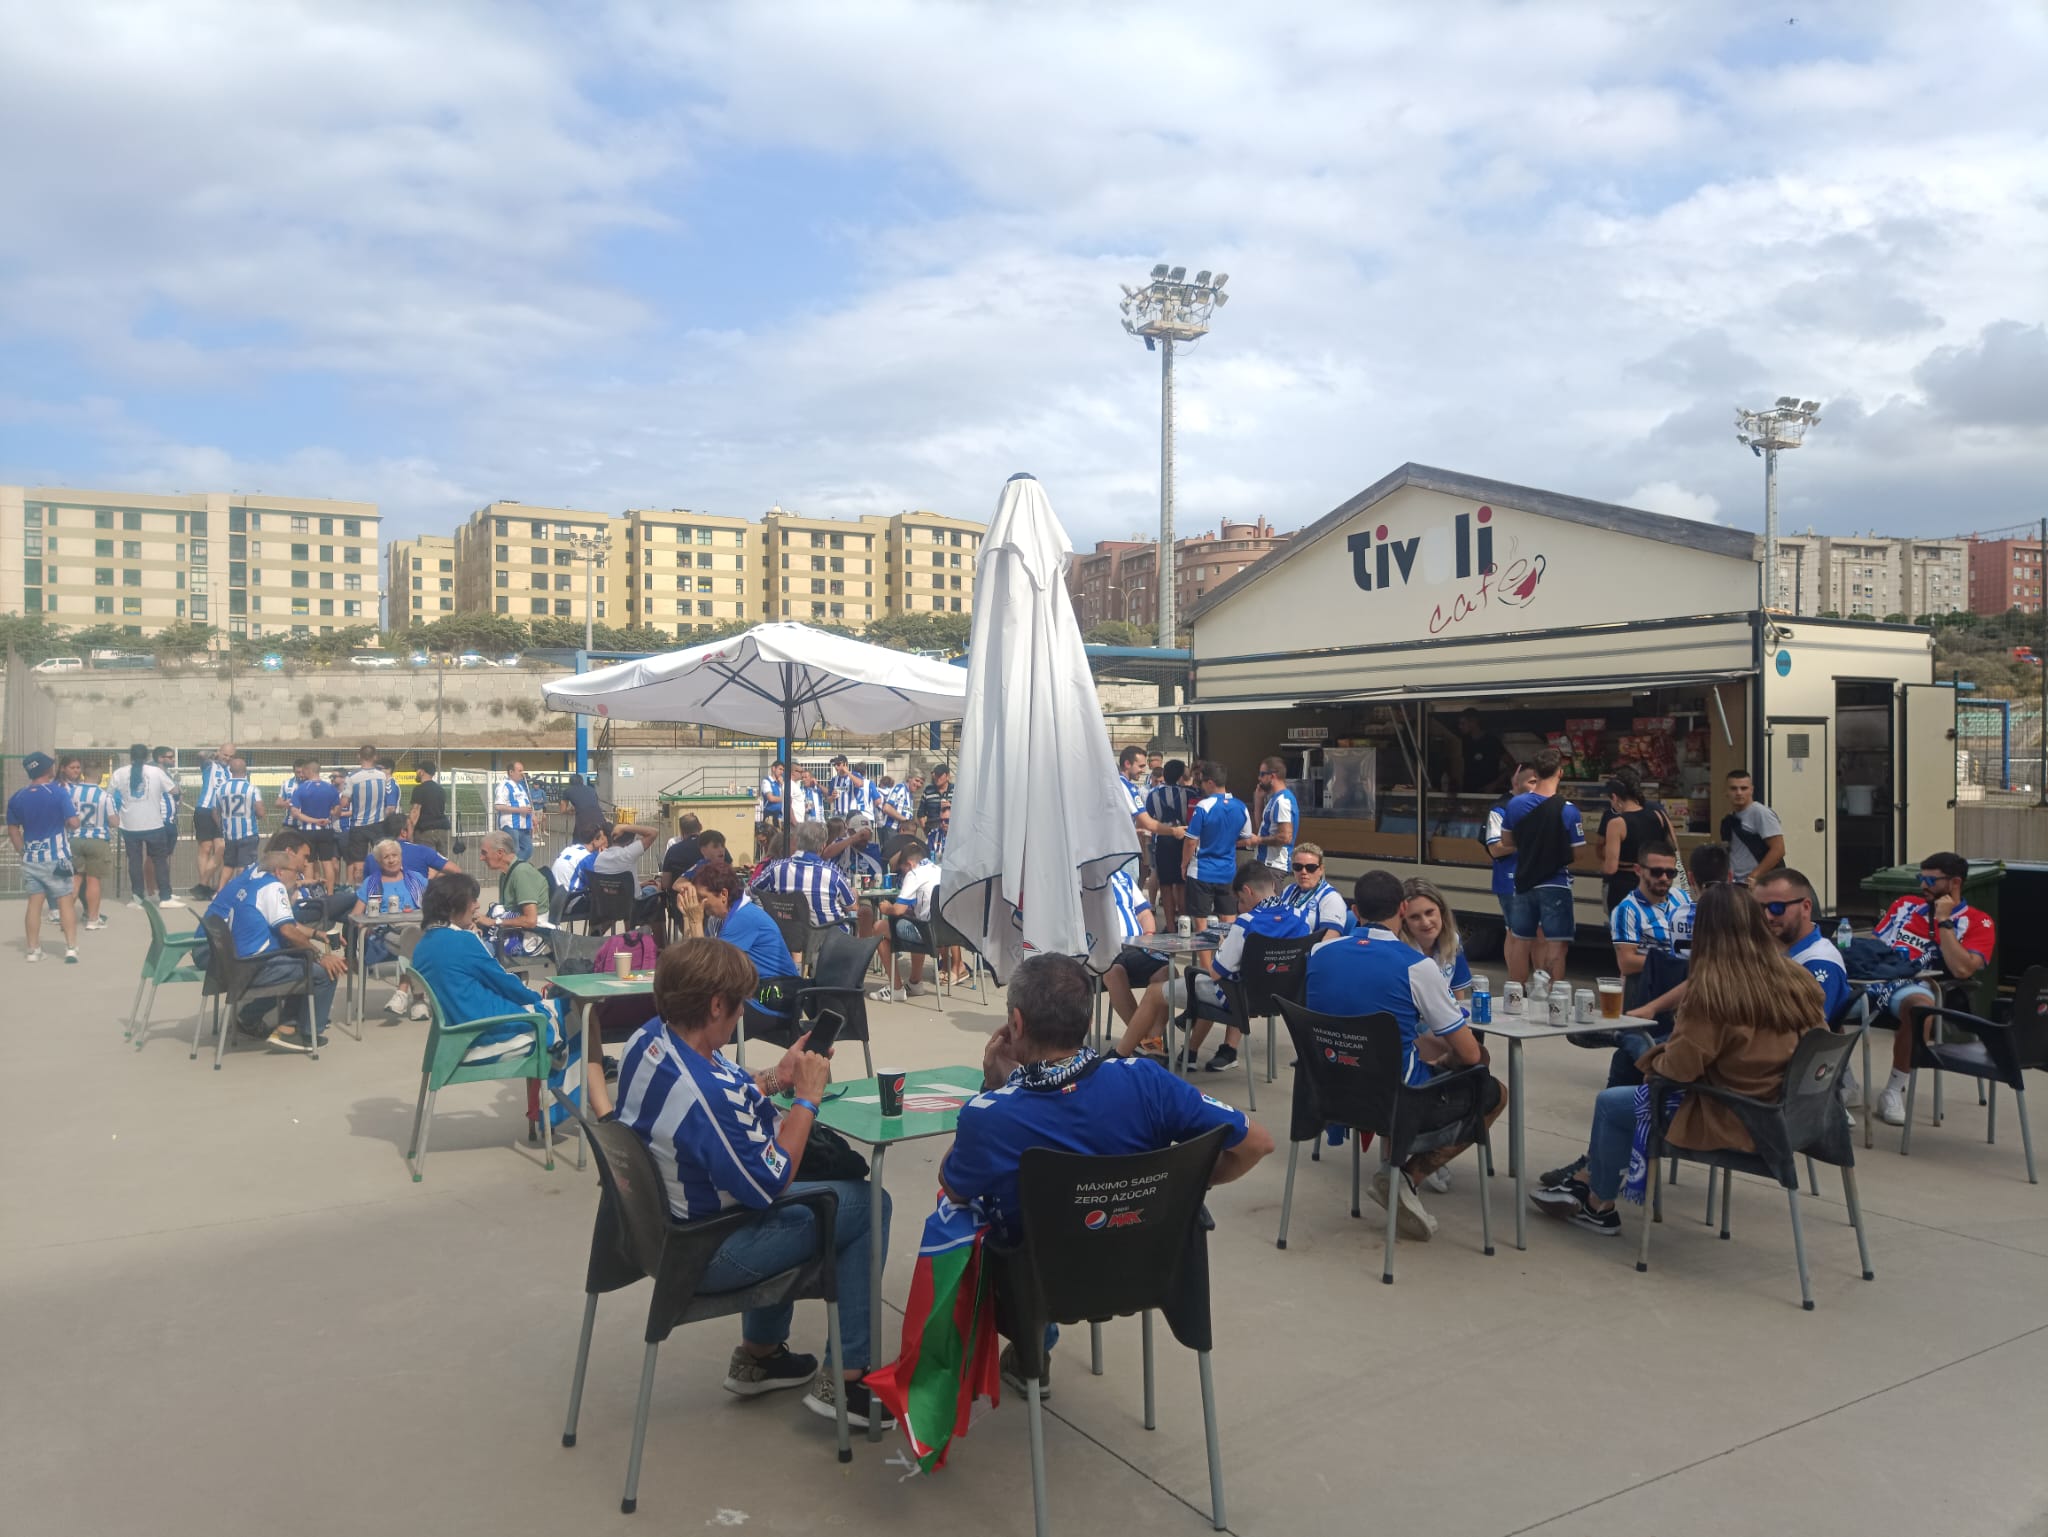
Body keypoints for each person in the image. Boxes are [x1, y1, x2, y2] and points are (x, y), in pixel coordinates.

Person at [940, 952, 1273, 1394]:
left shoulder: (991, 1116)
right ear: (1083, 1018)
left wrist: (994, 1087)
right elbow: (1257, 1142)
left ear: (1016, 1024)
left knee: (958, 1218)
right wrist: (1187, 1182)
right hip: (1149, 1268)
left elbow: (953, 1186)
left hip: (1041, 1284)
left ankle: (1030, 1349)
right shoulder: (1147, 1081)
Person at [614, 936, 894, 1427]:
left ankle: (760, 1356)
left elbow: (728, 1088)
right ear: (717, 1003)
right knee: (868, 1205)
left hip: (659, 1229)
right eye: (740, 1003)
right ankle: (846, 1384)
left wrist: (776, 1077)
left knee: (821, 1195)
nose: (744, 1013)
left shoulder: (651, 1039)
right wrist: (806, 1098)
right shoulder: (705, 1098)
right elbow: (771, 1184)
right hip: (705, 1251)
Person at [1531, 882, 1823, 1235]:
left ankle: (1598, 1203)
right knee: (1641, 1066)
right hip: (1790, 1112)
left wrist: (1651, 1055)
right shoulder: (1798, 979)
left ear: (1704, 932)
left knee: (1614, 1102)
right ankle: (1585, 1178)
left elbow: (1678, 1071)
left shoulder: (1713, 991)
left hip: (1732, 1114)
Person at [1303, 870, 1505, 1240]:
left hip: (1326, 1093)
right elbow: (1471, 1053)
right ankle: (1404, 1177)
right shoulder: (1416, 966)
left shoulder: (1319, 952)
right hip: (1395, 1100)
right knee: (1491, 1090)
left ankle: (1397, 1175)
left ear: (1354, 912)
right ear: (1401, 908)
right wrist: (1446, 1061)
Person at [1112, 860, 1309, 1073]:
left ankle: (1121, 1053)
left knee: (1156, 992)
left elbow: (1217, 973)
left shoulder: (1246, 923)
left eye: (1240, 901)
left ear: (1247, 890)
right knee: (1201, 983)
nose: (1240, 907)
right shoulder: (1300, 917)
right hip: (1279, 997)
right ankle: (1182, 1052)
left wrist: (1223, 948)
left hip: (1237, 998)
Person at [1868, 851, 1995, 1128]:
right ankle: (1840, 1081)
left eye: (1930, 880)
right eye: (1920, 878)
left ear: (1954, 883)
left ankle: (1893, 1090)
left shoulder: (1978, 921)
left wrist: (1944, 921)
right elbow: (1876, 945)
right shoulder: (1904, 905)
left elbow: (1963, 970)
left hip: (1927, 988)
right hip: (1878, 979)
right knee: (1818, 992)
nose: (1922, 885)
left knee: (1918, 1007)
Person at [203, 830, 349, 1052]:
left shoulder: (254, 882)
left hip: (235, 966)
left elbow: (285, 926)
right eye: (296, 872)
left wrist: (316, 937)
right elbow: (288, 931)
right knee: (322, 973)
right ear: (280, 870)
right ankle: (304, 1034)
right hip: (253, 968)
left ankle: (264, 1022)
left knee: (298, 958)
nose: (299, 875)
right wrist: (320, 956)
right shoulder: (273, 887)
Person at [410, 871, 564, 1062]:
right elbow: (504, 983)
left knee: (560, 1016)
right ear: (453, 907)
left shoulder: (423, 946)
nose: (477, 905)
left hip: (457, 1035)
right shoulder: (462, 941)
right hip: (490, 1037)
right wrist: (539, 1000)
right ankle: (580, 1084)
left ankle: (568, 1079)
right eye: (472, 900)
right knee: (570, 1011)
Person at [1488, 747, 1584, 984]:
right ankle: (1555, 997)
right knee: (1556, 943)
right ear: (1560, 773)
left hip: (1522, 882)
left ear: (1536, 773)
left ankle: (1516, 995)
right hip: (1556, 883)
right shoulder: (1569, 810)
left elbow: (1508, 841)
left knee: (1520, 938)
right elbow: (1578, 853)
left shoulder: (1515, 805)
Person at [678, 862, 802, 1021]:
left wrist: (695, 921)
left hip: (772, 1001)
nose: (698, 904)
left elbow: (707, 970)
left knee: (697, 1010)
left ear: (723, 895)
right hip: (755, 995)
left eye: (702, 898)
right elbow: (692, 958)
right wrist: (687, 916)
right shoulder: (720, 919)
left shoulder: (743, 918)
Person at [9, 751, 81, 963]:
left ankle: (33, 950)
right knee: (65, 902)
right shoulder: (58, 793)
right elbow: (74, 822)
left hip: (31, 858)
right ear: (47, 769)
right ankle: (70, 948)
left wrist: (23, 850)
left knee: (34, 903)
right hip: (57, 857)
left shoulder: (17, 797)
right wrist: (70, 822)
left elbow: (13, 829)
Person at [352, 838, 431, 1017]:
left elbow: (434, 904)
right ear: (379, 861)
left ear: (401, 857)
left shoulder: (417, 879)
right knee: (415, 942)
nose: (391, 860)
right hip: (384, 934)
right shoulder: (370, 883)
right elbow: (357, 915)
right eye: (386, 857)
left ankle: (402, 993)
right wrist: (368, 922)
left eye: (394, 855)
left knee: (413, 936)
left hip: (415, 930)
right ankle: (418, 1000)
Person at [1482, 764, 1539, 984]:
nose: (1536, 787)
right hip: (1510, 879)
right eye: (1531, 782)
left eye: (1538, 781)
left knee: (1535, 935)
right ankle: (1517, 986)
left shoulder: (1539, 805)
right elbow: (1495, 848)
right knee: (1515, 933)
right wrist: (1528, 841)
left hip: (1536, 878)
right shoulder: (1500, 809)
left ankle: (1535, 984)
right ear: (1516, 782)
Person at [1609, 841, 1689, 985]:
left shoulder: (1681, 898)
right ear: (1638, 870)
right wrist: (1676, 963)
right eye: (1656, 872)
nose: (1664, 878)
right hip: (1650, 989)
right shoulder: (1627, 910)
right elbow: (1626, 963)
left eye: (1670, 873)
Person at [113, 742, 183, 909]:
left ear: (131, 756)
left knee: (134, 862)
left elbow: (111, 795)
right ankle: (165, 897)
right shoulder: (155, 772)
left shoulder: (119, 773)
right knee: (160, 861)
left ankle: (137, 898)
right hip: (153, 824)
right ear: (146, 757)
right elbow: (174, 791)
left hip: (129, 824)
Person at [1599, 765, 1677, 914]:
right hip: (1654, 885)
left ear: (1615, 797)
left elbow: (1611, 867)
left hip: (1624, 889)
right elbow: (1673, 848)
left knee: (1625, 933)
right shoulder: (1659, 816)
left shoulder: (1616, 824)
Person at [750, 822, 854, 932]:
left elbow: (753, 890)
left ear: (798, 842)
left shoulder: (776, 869)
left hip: (789, 936)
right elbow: (851, 906)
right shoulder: (832, 872)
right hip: (829, 938)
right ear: (823, 846)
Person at [1180, 761, 1250, 923]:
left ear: (1210, 782)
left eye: (1202, 782)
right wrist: (1227, 842)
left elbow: (1191, 841)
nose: (1201, 786)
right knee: (1229, 921)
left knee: (1200, 925)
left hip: (1201, 871)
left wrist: (1184, 864)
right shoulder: (1241, 807)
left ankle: (1205, 949)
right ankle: (1227, 948)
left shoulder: (1203, 806)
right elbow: (1247, 838)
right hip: (1228, 871)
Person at [874, 838, 941, 999]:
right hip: (944, 933)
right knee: (915, 919)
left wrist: (886, 908)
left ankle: (896, 988)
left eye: (903, 869)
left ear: (910, 864)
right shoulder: (938, 869)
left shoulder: (914, 874)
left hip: (926, 933)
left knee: (879, 927)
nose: (903, 873)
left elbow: (898, 910)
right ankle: (915, 982)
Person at [1101, 868, 1166, 1034]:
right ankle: (1140, 1037)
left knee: (1167, 971)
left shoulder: (1123, 877)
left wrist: (1149, 936)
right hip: (1104, 949)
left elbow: (1144, 913)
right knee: (1114, 973)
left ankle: (1154, 1038)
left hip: (1137, 946)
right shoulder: (1080, 878)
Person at [59, 755, 113, 932]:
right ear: (100, 775)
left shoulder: (71, 792)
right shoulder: (104, 796)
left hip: (74, 838)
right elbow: (114, 821)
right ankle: (92, 919)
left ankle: (65, 919)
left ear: (83, 774)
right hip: (97, 839)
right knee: (93, 881)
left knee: (75, 880)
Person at [1395, 877, 1472, 1002]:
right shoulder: (1397, 951)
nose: (1425, 922)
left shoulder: (1453, 941)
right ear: (1404, 922)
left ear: (1441, 911)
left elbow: (1458, 1001)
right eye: (1415, 917)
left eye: (1429, 912)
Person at [479, 830, 550, 958]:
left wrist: (494, 921)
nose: (481, 858)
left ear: (500, 853)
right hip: (510, 931)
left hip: (527, 936)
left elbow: (530, 920)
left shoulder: (521, 873)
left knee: (472, 954)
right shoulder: (506, 873)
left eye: (484, 853)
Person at [1143, 759, 1191, 928]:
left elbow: (1149, 817)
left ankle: (1170, 925)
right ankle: (1184, 922)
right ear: (1180, 776)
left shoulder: (1153, 794)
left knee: (1165, 884)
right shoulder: (1188, 793)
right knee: (1181, 882)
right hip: (1184, 838)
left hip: (1163, 839)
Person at [1720, 769, 1785, 887]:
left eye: (1744, 788)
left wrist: (1753, 877)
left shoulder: (1761, 813)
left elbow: (1778, 850)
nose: (1739, 793)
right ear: (1726, 792)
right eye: (1733, 788)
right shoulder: (1729, 819)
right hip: (1736, 883)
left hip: (1757, 884)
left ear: (1751, 790)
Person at [191, 740, 235, 898]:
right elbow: (200, 754)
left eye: (231, 756)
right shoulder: (210, 765)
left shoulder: (231, 770)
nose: (227, 758)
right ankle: (206, 888)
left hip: (222, 813)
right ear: (219, 752)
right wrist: (214, 755)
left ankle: (206, 884)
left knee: (221, 849)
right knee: (205, 849)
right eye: (225, 754)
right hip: (204, 809)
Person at [1281, 841, 1348, 943]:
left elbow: (1329, 940)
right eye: (1298, 867)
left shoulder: (1331, 898)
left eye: (1310, 868)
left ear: (1321, 869)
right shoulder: (1288, 890)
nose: (1303, 872)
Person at [343, 745, 391, 882]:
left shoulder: (352, 777)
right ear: (375, 757)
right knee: (382, 856)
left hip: (359, 825)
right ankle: (383, 885)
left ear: (359, 756)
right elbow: (389, 800)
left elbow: (344, 802)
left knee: (359, 862)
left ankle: (360, 891)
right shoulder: (383, 776)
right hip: (378, 823)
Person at [1241, 756, 1297, 874]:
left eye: (1262, 774)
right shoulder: (1274, 799)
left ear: (1272, 776)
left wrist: (1259, 840)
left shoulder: (1282, 801)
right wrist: (1258, 800)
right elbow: (1261, 827)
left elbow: (1285, 837)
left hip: (1274, 865)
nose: (1259, 778)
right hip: (1265, 862)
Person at [217, 756, 265, 874]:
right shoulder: (252, 789)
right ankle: (241, 889)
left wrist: (221, 825)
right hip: (247, 833)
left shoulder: (221, 789)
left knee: (228, 865)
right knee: (245, 866)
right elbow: (260, 812)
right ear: (246, 770)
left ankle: (220, 890)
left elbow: (215, 810)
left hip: (229, 834)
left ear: (230, 771)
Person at [1455, 709, 1514, 796]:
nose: (1460, 726)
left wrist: (1495, 784)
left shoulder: (1491, 741)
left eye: (1463, 723)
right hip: (1468, 792)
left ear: (1473, 722)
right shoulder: (1464, 742)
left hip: (1488, 792)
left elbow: (1512, 765)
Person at [494, 760, 537, 864]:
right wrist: (519, 810)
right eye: (520, 771)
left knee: (528, 850)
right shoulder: (504, 786)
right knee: (515, 850)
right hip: (511, 825)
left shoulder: (521, 786)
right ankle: (513, 868)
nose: (522, 773)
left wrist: (533, 816)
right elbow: (498, 806)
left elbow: (527, 804)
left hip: (524, 825)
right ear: (511, 772)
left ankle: (515, 866)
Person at [404, 760, 451, 853]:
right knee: (441, 862)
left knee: (425, 862)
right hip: (442, 830)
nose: (416, 772)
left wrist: (410, 831)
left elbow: (415, 811)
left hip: (425, 832)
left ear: (422, 772)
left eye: (417, 770)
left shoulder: (419, 789)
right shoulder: (440, 789)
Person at [559, 773, 605, 843]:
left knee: (578, 843)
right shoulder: (591, 789)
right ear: (582, 781)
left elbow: (563, 810)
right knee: (597, 841)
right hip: (600, 819)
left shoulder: (567, 791)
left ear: (570, 782)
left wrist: (570, 810)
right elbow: (591, 803)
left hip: (583, 821)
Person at [919, 764, 950, 835]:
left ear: (947, 776)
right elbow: (920, 814)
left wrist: (951, 806)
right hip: (932, 830)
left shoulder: (955, 790)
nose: (937, 778)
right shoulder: (928, 790)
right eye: (936, 775)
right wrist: (926, 832)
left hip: (951, 832)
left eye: (940, 775)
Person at [756, 762, 786, 832]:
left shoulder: (780, 783)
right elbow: (771, 798)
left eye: (783, 770)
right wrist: (785, 799)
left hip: (780, 817)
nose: (781, 772)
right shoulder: (766, 781)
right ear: (773, 768)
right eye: (780, 769)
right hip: (771, 817)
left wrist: (782, 784)